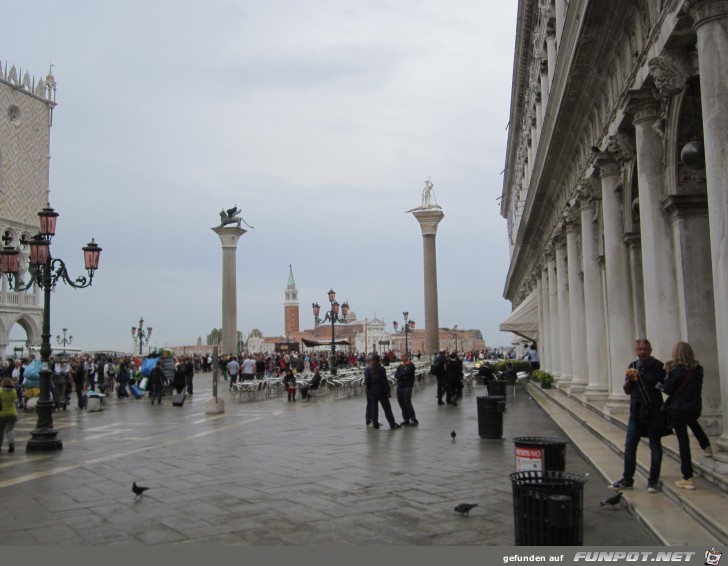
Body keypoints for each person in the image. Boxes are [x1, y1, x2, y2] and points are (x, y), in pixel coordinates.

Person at [612, 338, 665, 494]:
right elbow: (627, 390)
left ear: (651, 350)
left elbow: (666, 387)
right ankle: (627, 479)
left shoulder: (658, 367)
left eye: (645, 349)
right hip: (635, 412)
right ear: (636, 351)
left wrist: (658, 385)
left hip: (653, 412)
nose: (643, 351)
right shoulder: (632, 366)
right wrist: (628, 381)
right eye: (640, 349)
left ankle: (653, 481)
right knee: (630, 447)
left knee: (655, 447)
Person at [662, 341, 712, 490]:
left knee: (683, 442)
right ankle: (706, 445)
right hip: (693, 407)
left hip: (677, 408)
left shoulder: (676, 370)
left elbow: (668, 389)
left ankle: (688, 477)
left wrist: (666, 374)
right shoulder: (698, 369)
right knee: (693, 423)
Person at [364, 354, 401, 430]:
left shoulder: (368, 369)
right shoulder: (381, 369)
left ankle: (375, 424)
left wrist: (369, 389)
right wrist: (388, 391)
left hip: (372, 391)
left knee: (374, 407)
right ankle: (392, 423)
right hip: (381, 391)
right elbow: (384, 381)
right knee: (387, 408)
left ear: (372, 360)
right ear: (379, 360)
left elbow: (367, 381)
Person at [395, 355, 418, 426]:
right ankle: (406, 419)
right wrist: (403, 377)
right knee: (401, 403)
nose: (401, 358)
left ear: (407, 357)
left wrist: (401, 376)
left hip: (407, 386)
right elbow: (396, 375)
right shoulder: (400, 366)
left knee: (407, 402)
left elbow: (407, 373)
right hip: (400, 387)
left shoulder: (411, 365)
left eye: (403, 356)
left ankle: (413, 419)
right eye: (401, 357)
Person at [0, 377, 18, 453]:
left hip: (1, 413)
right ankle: (11, 445)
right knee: (10, 429)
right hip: (12, 413)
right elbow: (15, 401)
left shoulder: (0, 391)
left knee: (0, 431)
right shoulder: (14, 391)